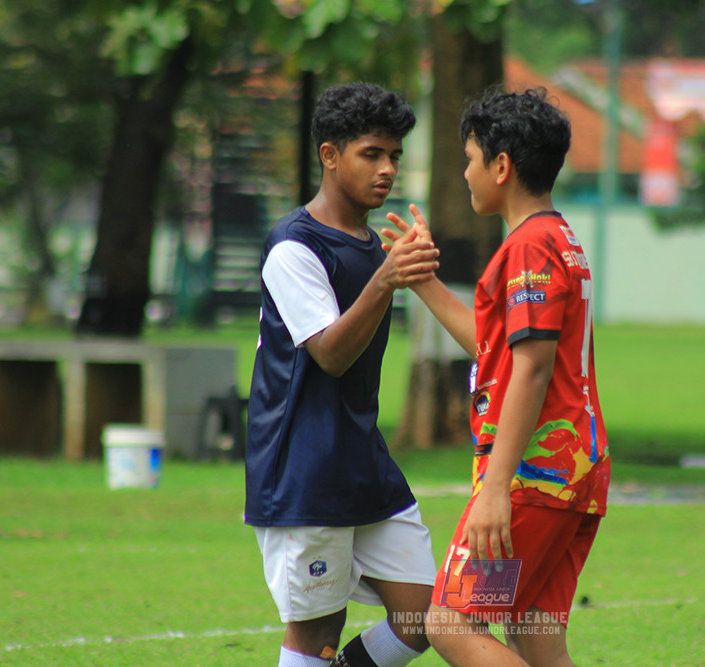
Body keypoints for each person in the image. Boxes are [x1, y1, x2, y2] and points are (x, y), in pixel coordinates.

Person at [384, 87, 610, 667]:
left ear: (501, 166)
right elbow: (498, 353)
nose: (464, 173)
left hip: (535, 474)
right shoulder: (558, 239)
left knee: (450, 622)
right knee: (537, 639)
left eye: (469, 159)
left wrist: (494, 490)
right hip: (574, 471)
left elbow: (531, 370)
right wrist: (425, 280)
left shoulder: (530, 246)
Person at [244, 82, 440, 667]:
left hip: (363, 461)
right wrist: (387, 279)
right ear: (330, 155)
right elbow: (329, 353)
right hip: (304, 470)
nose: (388, 170)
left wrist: (400, 270)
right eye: (372, 154)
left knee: (426, 616)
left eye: (395, 156)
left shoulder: (377, 248)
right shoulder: (294, 247)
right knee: (316, 634)